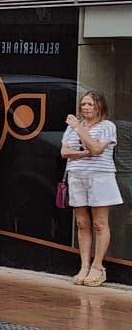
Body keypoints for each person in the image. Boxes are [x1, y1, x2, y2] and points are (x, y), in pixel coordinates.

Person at [63, 90, 119, 287]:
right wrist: (84, 153)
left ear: (99, 106)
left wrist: (79, 130)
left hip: (100, 176)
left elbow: (97, 149)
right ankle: (84, 265)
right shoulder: (73, 127)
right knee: (81, 222)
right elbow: (64, 152)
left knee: (99, 223)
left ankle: (98, 266)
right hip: (77, 176)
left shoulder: (107, 126)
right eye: (84, 104)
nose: (86, 108)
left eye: (91, 104)